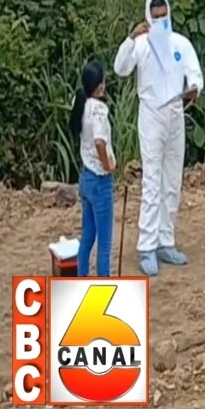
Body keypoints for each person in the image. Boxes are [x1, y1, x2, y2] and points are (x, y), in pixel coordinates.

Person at [114, 0, 204, 277]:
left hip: (176, 114)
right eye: (156, 18)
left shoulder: (180, 43)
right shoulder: (140, 45)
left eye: (164, 17)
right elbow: (120, 69)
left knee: (172, 181)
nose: (161, 22)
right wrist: (130, 39)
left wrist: (194, 89)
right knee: (152, 180)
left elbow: (195, 74)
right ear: (147, 17)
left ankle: (166, 240)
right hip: (151, 115)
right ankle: (146, 245)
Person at [69, 61, 116, 277]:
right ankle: (104, 289)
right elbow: (99, 142)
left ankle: (82, 279)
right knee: (105, 243)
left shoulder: (81, 103)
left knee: (87, 236)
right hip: (99, 179)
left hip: (86, 177)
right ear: (99, 86)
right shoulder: (99, 110)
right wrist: (109, 166)